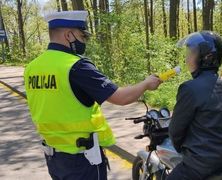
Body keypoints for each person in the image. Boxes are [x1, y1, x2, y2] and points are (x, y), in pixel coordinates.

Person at [24, 11, 161, 180]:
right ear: (69, 35)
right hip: (81, 159)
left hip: (53, 156)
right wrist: (146, 83)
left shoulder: (32, 67)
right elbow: (120, 97)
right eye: (83, 37)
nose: (84, 42)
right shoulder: (75, 66)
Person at [167, 31, 222, 180]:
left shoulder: (189, 88)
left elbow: (176, 130)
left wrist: (181, 149)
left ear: (206, 58)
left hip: (198, 165)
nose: (187, 58)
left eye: (192, 53)